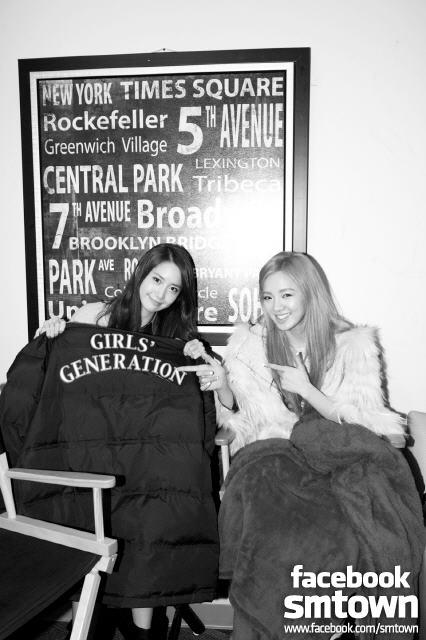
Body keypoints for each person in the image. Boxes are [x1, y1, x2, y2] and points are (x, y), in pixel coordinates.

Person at [181, 251, 425, 640]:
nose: (276, 307)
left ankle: (315, 622)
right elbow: (243, 417)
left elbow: (365, 424)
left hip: (335, 466)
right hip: (276, 461)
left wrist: (308, 391)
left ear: (310, 293)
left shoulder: (351, 345)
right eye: (267, 297)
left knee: (334, 535)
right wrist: (222, 386)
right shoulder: (251, 344)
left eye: (287, 295)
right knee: (276, 531)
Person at [13, 243, 219, 640]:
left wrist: (205, 363)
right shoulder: (92, 316)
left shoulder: (176, 339)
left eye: (173, 288)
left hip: (141, 463)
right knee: (83, 516)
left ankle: (144, 629)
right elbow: (56, 383)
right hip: (90, 453)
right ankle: (87, 622)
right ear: (141, 273)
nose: (160, 293)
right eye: (156, 279)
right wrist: (52, 335)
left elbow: (217, 403)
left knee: (152, 515)